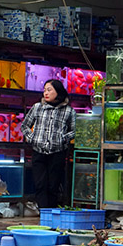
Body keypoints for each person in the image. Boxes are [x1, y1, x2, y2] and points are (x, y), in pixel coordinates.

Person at [21, 79, 76, 209]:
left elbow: (75, 130)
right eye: (45, 90)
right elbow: (25, 126)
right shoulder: (37, 108)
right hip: (39, 152)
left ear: (58, 91)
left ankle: (51, 212)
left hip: (57, 153)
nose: (46, 93)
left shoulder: (68, 111)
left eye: (49, 90)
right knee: (40, 184)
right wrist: (32, 138)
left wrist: (64, 138)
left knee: (53, 185)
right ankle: (43, 212)